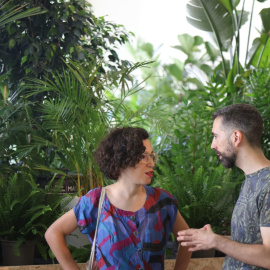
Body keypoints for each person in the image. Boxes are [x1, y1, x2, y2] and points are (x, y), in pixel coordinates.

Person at [45, 127, 191, 270]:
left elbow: (188, 240)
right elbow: (53, 233)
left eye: (152, 156)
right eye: (143, 157)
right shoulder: (95, 201)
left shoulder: (163, 202)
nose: (152, 163)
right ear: (122, 159)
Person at [177, 103, 270, 269]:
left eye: (216, 136)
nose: (213, 145)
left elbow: (268, 257)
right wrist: (210, 239)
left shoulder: (268, 184)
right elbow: (248, 243)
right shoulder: (251, 179)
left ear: (236, 137)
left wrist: (216, 241)